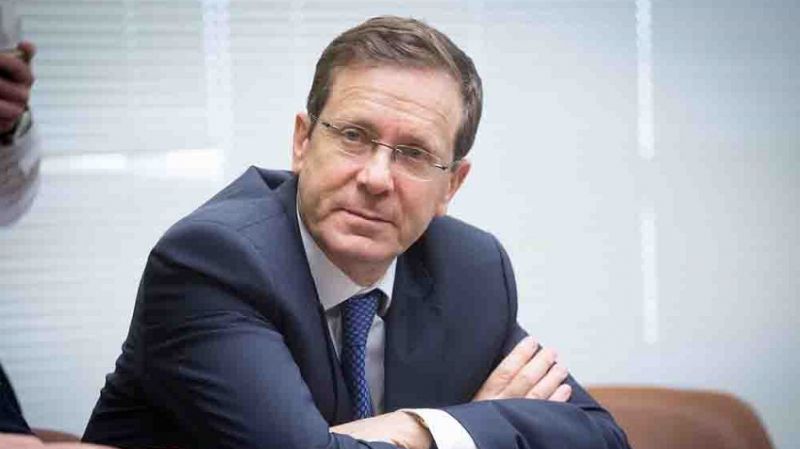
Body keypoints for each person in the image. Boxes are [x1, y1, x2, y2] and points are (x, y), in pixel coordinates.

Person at [84, 16, 630, 449]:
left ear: (452, 185)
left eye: (413, 154)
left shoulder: (469, 268)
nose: (375, 178)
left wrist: (426, 427)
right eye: (353, 135)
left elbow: (600, 436)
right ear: (302, 142)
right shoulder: (213, 262)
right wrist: (464, 428)